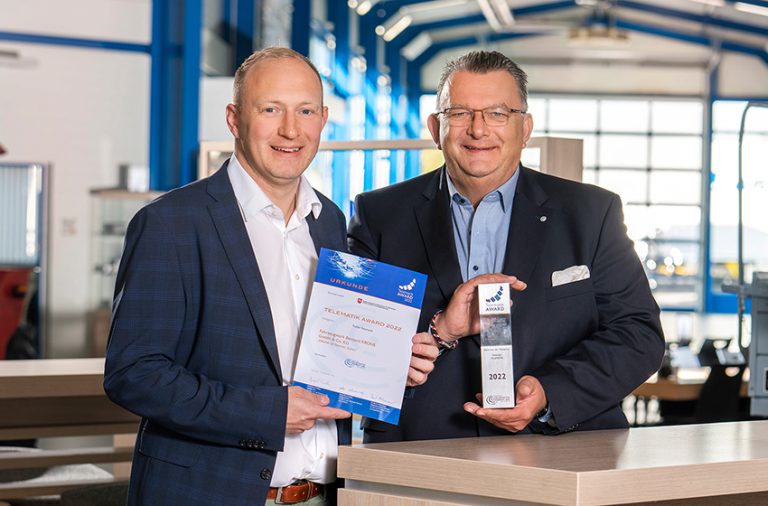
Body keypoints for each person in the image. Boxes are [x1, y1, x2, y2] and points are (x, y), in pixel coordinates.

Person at [104, 47, 438, 506]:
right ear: (234, 119)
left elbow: (331, 355)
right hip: (210, 494)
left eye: (305, 111)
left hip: (324, 495)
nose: (290, 130)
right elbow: (133, 374)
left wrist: (389, 363)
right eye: (270, 110)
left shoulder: (329, 221)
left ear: (323, 120)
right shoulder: (171, 223)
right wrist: (268, 412)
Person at [348, 50, 665, 443]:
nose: (478, 130)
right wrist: (439, 330)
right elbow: (352, 343)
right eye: (459, 113)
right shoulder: (379, 215)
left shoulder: (591, 213)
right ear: (435, 127)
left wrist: (549, 392)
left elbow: (638, 335)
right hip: (420, 448)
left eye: (498, 113)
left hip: (559, 449)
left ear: (525, 128)